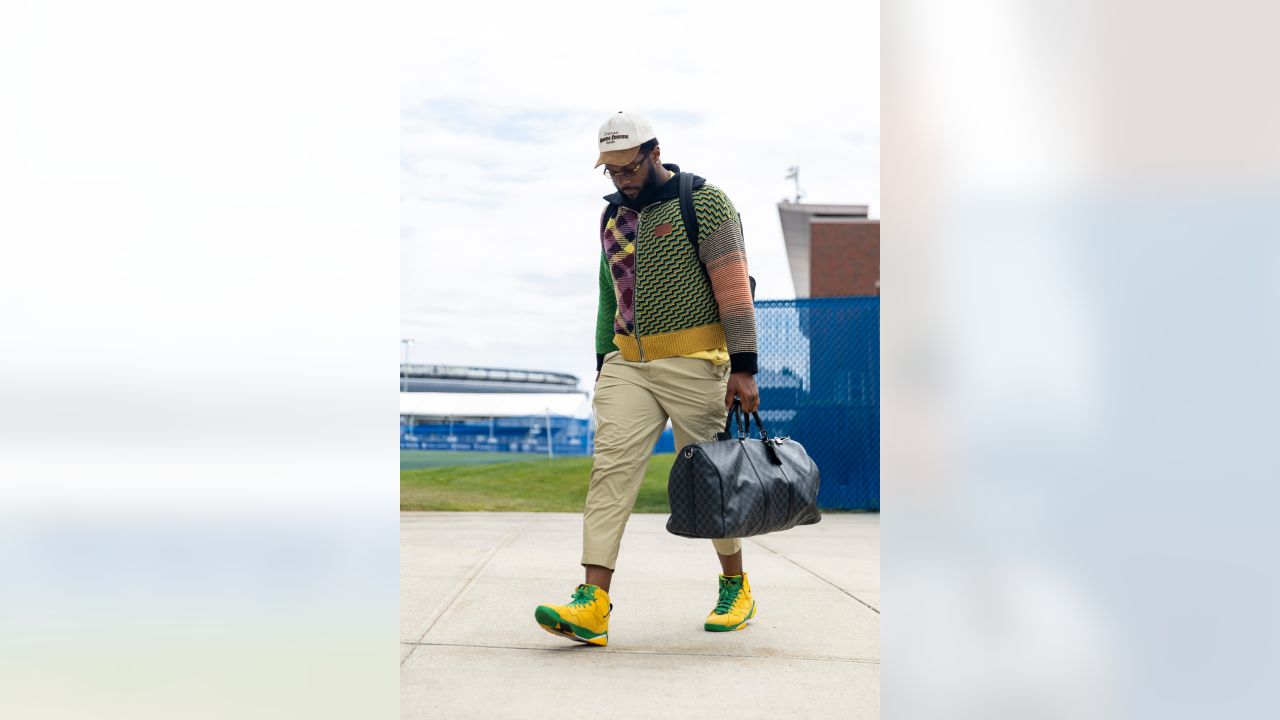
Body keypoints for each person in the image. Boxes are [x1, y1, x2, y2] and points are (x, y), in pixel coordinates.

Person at [534, 111, 760, 646]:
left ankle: (736, 586)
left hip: (696, 360)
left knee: (709, 482)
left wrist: (745, 367)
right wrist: (600, 363)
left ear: (654, 153)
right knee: (609, 472)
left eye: (628, 167)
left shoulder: (702, 201)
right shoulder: (612, 218)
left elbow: (733, 286)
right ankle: (593, 605)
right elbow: (608, 296)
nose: (621, 179)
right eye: (609, 171)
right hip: (627, 365)